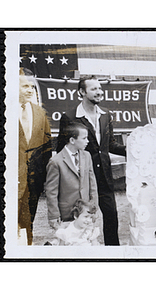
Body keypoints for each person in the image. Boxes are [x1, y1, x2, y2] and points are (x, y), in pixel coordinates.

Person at [56, 75, 126, 245]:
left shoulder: (106, 115)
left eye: (100, 88)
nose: (99, 92)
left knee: (111, 216)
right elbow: (62, 150)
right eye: (94, 89)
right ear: (82, 92)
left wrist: (135, 151)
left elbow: (110, 145)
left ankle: (113, 253)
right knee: (82, 220)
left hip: (105, 176)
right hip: (82, 179)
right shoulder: (69, 117)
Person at [18, 68, 52, 245]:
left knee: (27, 225)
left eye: (32, 86)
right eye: (25, 86)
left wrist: (45, 180)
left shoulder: (40, 113)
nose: (30, 89)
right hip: (11, 184)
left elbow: (47, 148)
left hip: (33, 183)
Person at [45, 122, 98, 229]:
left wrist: (94, 207)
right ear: (72, 140)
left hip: (86, 212)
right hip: (67, 213)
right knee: (69, 241)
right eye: (84, 138)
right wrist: (54, 215)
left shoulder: (86, 156)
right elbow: (51, 192)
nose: (87, 141)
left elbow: (93, 184)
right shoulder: (56, 161)